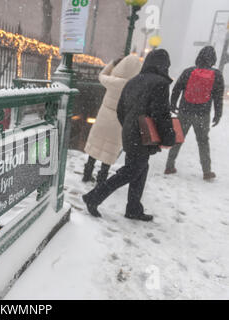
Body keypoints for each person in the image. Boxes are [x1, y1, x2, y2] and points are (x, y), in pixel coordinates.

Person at [82, 49, 176, 222]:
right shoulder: (160, 83)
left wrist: (129, 126)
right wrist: (169, 137)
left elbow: (121, 109)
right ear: (164, 65)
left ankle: (133, 208)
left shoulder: (133, 81)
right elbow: (160, 114)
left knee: (140, 168)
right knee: (131, 171)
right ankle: (93, 197)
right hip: (143, 135)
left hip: (130, 133)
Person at [164, 46, 225, 180]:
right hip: (202, 115)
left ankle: (169, 166)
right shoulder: (217, 75)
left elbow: (176, 89)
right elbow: (218, 97)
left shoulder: (188, 71)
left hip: (185, 111)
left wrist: (173, 104)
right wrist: (218, 114)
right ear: (213, 59)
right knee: (203, 141)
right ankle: (207, 171)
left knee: (178, 138)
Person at [83, 55, 143, 184]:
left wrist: (112, 63)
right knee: (110, 149)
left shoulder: (111, 81)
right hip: (118, 122)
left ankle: (87, 172)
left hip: (103, 118)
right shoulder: (136, 87)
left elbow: (102, 75)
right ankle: (102, 178)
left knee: (96, 144)